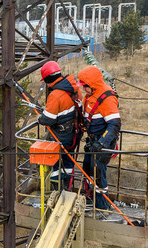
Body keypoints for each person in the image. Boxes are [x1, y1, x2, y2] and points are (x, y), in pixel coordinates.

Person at [76, 65, 121, 210]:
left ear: (92, 85)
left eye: (85, 86)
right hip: (93, 141)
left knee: (98, 174)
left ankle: (102, 206)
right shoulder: (91, 96)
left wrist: (101, 142)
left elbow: (114, 124)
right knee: (88, 169)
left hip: (103, 144)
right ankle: (91, 197)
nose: (83, 89)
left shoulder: (106, 98)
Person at [38, 60, 82, 189]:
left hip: (61, 135)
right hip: (74, 133)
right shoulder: (74, 89)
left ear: (47, 79)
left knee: (55, 162)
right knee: (68, 160)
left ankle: (56, 189)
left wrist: (40, 118)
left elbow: (48, 120)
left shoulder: (55, 95)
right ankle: (67, 186)